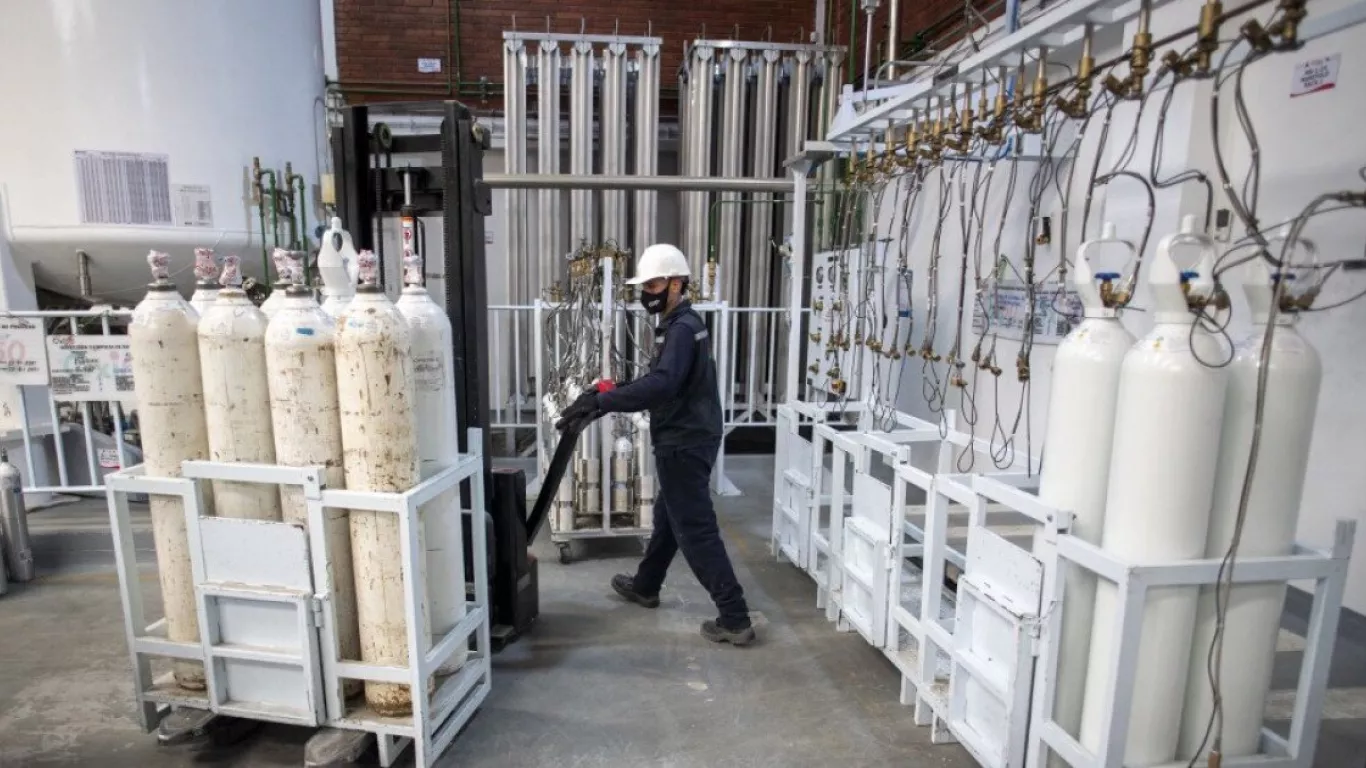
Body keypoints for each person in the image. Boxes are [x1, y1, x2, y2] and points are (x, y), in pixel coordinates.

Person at [556, 243, 756, 646]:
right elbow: (663, 379)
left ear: (677, 283)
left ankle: (733, 616)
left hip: (685, 440)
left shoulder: (681, 329)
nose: (648, 292)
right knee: (669, 514)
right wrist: (605, 393)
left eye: (655, 283)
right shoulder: (679, 324)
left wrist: (603, 401)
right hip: (688, 434)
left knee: (695, 529)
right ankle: (647, 585)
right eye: (645, 284)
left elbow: (663, 385)